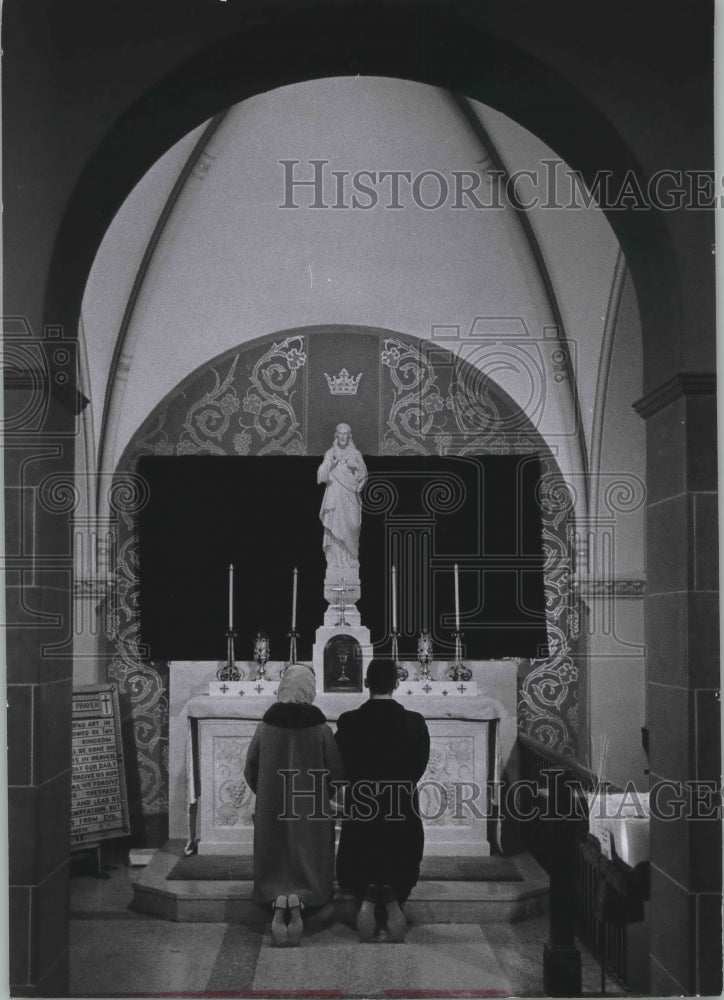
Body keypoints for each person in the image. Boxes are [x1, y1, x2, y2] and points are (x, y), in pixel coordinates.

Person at [243, 663, 344, 946]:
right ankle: (304, 896)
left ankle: (278, 898)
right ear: (308, 690)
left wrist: (266, 793)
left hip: (273, 808)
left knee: (274, 851)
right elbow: (336, 771)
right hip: (310, 809)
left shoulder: (266, 728)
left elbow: (250, 768)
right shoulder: (320, 729)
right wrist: (322, 796)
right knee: (309, 850)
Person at [334, 659, 431, 942]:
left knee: (364, 863)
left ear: (366, 683)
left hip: (363, 810)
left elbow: (341, 766)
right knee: (397, 861)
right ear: (397, 683)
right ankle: (391, 898)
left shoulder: (350, 722)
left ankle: (368, 896)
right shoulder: (414, 722)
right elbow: (419, 767)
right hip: (400, 810)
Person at [317, 423, 367, 569]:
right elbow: (320, 476)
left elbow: (364, 476)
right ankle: (335, 562)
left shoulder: (356, 453)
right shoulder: (330, 452)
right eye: (340, 433)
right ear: (336, 435)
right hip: (334, 495)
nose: (343, 436)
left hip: (350, 496)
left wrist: (355, 466)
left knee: (354, 524)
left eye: (346, 433)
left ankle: (351, 559)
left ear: (349, 435)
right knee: (335, 526)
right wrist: (330, 465)